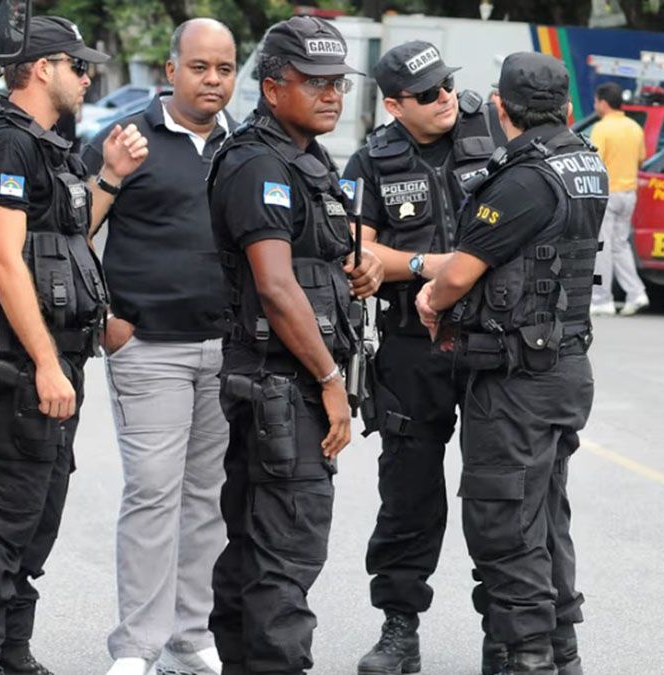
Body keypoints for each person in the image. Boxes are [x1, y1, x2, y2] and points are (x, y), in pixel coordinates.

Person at [416, 51, 605, 675]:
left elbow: (461, 273)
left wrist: (428, 298)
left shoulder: (524, 178)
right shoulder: (585, 163)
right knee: (545, 515)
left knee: (506, 525)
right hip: (565, 366)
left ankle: (527, 658)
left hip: (518, 377)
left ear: (500, 108)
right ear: (568, 107)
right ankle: (559, 652)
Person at [206, 16, 382, 674]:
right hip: (282, 387)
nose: (332, 94)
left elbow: (306, 267)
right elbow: (276, 288)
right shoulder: (259, 163)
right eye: (316, 83)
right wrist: (332, 381)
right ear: (274, 88)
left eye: (338, 82)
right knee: (285, 554)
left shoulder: (306, 158)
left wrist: (350, 271)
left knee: (260, 548)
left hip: (283, 385)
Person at [0, 16, 148, 675]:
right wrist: (45, 361)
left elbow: (70, 238)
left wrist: (108, 177)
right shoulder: (5, 145)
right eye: (77, 66)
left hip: (62, 360)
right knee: (3, 518)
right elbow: (4, 259)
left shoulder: (53, 146)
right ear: (42, 67)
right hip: (23, 363)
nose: (86, 77)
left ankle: (14, 650)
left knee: (38, 519)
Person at [82, 18, 236, 675]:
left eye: (224, 69)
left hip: (226, 351)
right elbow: (73, 229)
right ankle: (138, 645)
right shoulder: (124, 138)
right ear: (169, 71)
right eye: (199, 67)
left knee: (207, 499)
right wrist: (104, 315)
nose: (212, 80)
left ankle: (189, 634)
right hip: (148, 349)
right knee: (152, 492)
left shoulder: (242, 145)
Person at [341, 41, 500, 675]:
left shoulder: (492, 130)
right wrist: (447, 267)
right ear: (393, 105)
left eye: (445, 87)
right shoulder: (371, 160)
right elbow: (358, 257)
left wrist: (412, 267)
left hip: (491, 341)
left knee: (499, 491)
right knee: (408, 491)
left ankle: (509, 630)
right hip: (411, 347)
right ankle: (399, 628)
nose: (443, 101)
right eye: (427, 94)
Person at [588, 81, 648, 317]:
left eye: (595, 101)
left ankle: (602, 299)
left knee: (602, 246)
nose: (595, 105)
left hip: (608, 194)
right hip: (628, 193)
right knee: (620, 245)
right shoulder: (634, 127)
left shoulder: (602, 128)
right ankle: (636, 293)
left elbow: (594, 160)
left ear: (603, 103)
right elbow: (641, 158)